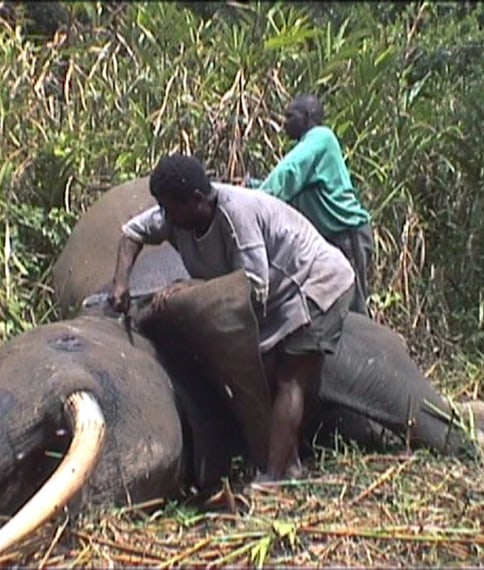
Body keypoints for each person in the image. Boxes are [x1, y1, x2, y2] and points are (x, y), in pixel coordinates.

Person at [108, 153, 356, 482]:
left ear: (197, 201)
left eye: (171, 208)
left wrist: (197, 289)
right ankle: (289, 463)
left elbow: (254, 287)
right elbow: (132, 233)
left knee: (289, 375)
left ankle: (274, 477)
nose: (166, 216)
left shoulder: (237, 216)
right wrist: (121, 283)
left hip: (316, 283)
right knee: (262, 370)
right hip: (278, 297)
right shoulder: (175, 218)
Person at [247, 93, 374, 316]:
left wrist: (253, 200)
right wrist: (250, 185)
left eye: (289, 116)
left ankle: (368, 350)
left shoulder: (321, 137)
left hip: (347, 233)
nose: (284, 123)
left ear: (306, 117)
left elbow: (288, 174)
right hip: (329, 237)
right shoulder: (310, 147)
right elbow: (294, 191)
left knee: (353, 305)